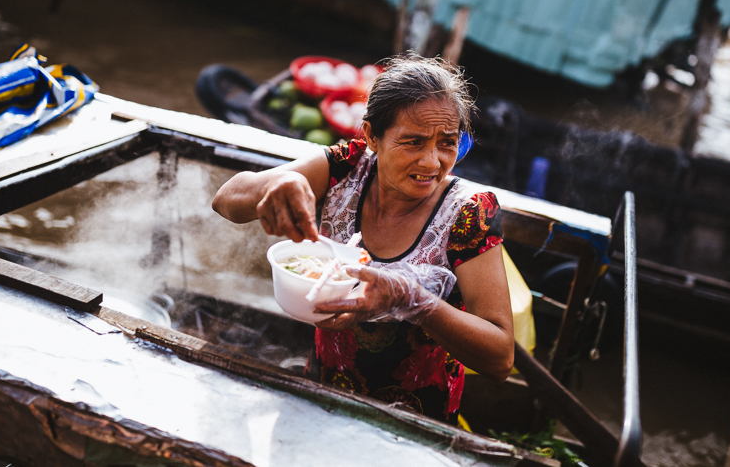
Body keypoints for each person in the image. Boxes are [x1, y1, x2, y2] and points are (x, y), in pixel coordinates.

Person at [212, 54, 514, 423]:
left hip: (415, 421)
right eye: (413, 142)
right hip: (322, 392)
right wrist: (279, 183)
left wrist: (416, 303)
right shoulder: (348, 168)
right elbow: (226, 200)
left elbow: (501, 359)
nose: (432, 162)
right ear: (371, 136)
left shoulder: (469, 214)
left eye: (447, 143)